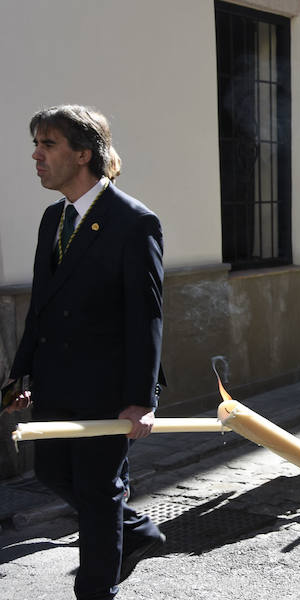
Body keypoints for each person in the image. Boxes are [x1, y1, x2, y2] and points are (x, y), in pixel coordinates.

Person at [4, 105, 166, 599]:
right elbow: (41, 306)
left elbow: (147, 315)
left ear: (83, 154)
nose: (35, 155)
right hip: (55, 381)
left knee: (97, 493)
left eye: (47, 145)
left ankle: (96, 591)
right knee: (53, 472)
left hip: (107, 388)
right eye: (36, 143)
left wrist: (142, 397)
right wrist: (21, 376)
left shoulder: (133, 221)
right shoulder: (53, 218)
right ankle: (135, 530)